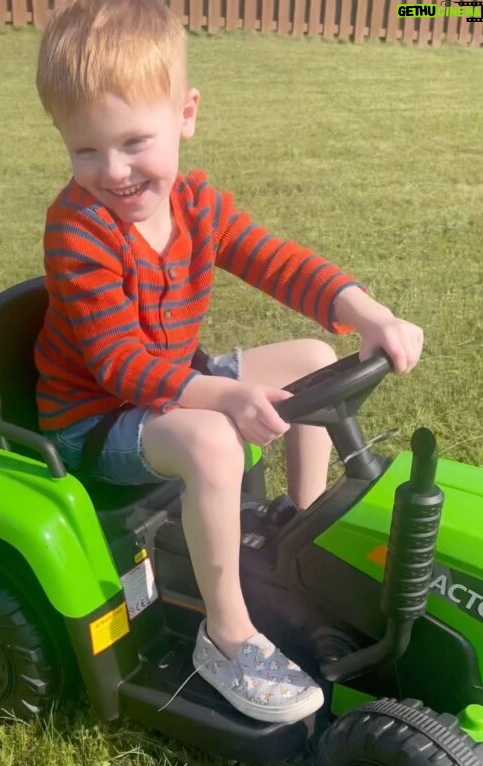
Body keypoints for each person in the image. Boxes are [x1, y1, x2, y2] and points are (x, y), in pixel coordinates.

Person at [34, 0, 423, 725]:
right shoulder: (78, 230)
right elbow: (119, 365)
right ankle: (228, 634)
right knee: (215, 440)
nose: (112, 172)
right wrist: (217, 397)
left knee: (310, 355)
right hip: (97, 419)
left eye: (132, 142)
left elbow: (276, 261)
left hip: (173, 376)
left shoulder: (196, 204)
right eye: (85, 151)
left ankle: (296, 536)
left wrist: (364, 312)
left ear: (186, 113)